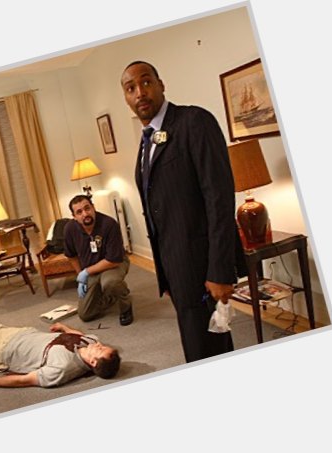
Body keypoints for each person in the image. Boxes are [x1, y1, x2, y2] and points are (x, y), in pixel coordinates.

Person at [120, 61, 246, 362]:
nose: (140, 92)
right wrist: (166, 274)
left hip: (203, 266)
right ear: (126, 97)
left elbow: (218, 199)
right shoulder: (147, 140)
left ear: (161, 84)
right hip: (176, 268)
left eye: (146, 82)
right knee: (202, 343)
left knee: (206, 349)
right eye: (130, 88)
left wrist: (219, 270)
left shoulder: (194, 122)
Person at [64, 194, 133, 326]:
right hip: (91, 269)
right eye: (79, 212)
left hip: (113, 264)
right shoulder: (70, 229)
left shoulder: (109, 224)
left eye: (87, 208)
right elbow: (71, 256)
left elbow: (114, 260)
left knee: (111, 282)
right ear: (74, 216)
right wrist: (80, 276)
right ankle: (110, 296)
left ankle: (125, 305)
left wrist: (86, 272)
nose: (85, 214)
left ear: (93, 207)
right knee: (85, 314)